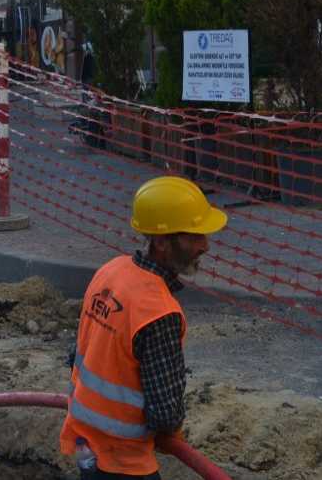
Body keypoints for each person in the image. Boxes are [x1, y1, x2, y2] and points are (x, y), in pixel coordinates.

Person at [60, 176, 228, 480]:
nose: (205, 245)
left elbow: (78, 354)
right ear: (162, 242)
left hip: (87, 443)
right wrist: (172, 433)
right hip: (123, 461)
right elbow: (164, 413)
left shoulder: (110, 271)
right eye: (194, 236)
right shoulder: (158, 312)